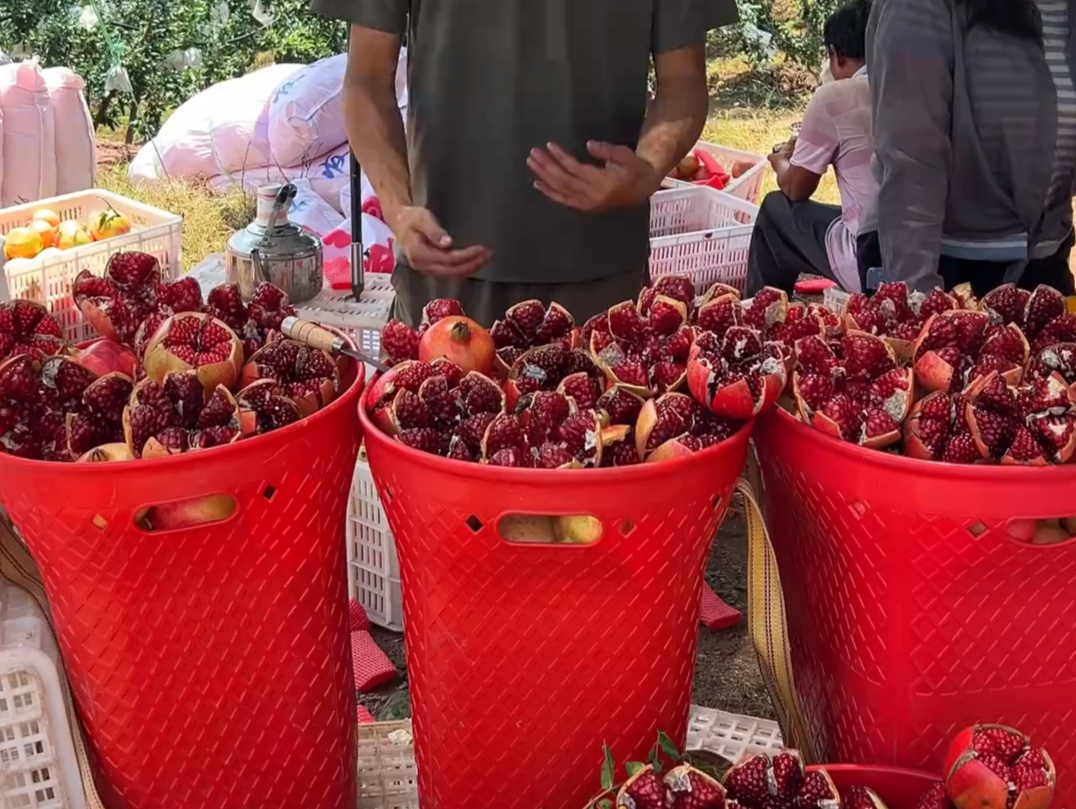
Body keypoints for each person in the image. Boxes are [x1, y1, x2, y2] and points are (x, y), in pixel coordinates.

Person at [315, 0, 738, 327]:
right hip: (445, 275)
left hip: (601, 282)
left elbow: (683, 84)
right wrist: (397, 205)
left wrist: (646, 167)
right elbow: (367, 81)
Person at [860, 0, 1076, 297]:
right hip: (939, 264)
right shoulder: (921, 8)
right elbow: (912, 164)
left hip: (1043, 262)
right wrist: (917, 302)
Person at [745, 0, 876, 297]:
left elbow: (796, 189)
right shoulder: (923, 87)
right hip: (933, 252)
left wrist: (779, 162)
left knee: (774, 209)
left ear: (836, 55)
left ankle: (760, 316)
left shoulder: (834, 97)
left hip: (872, 260)